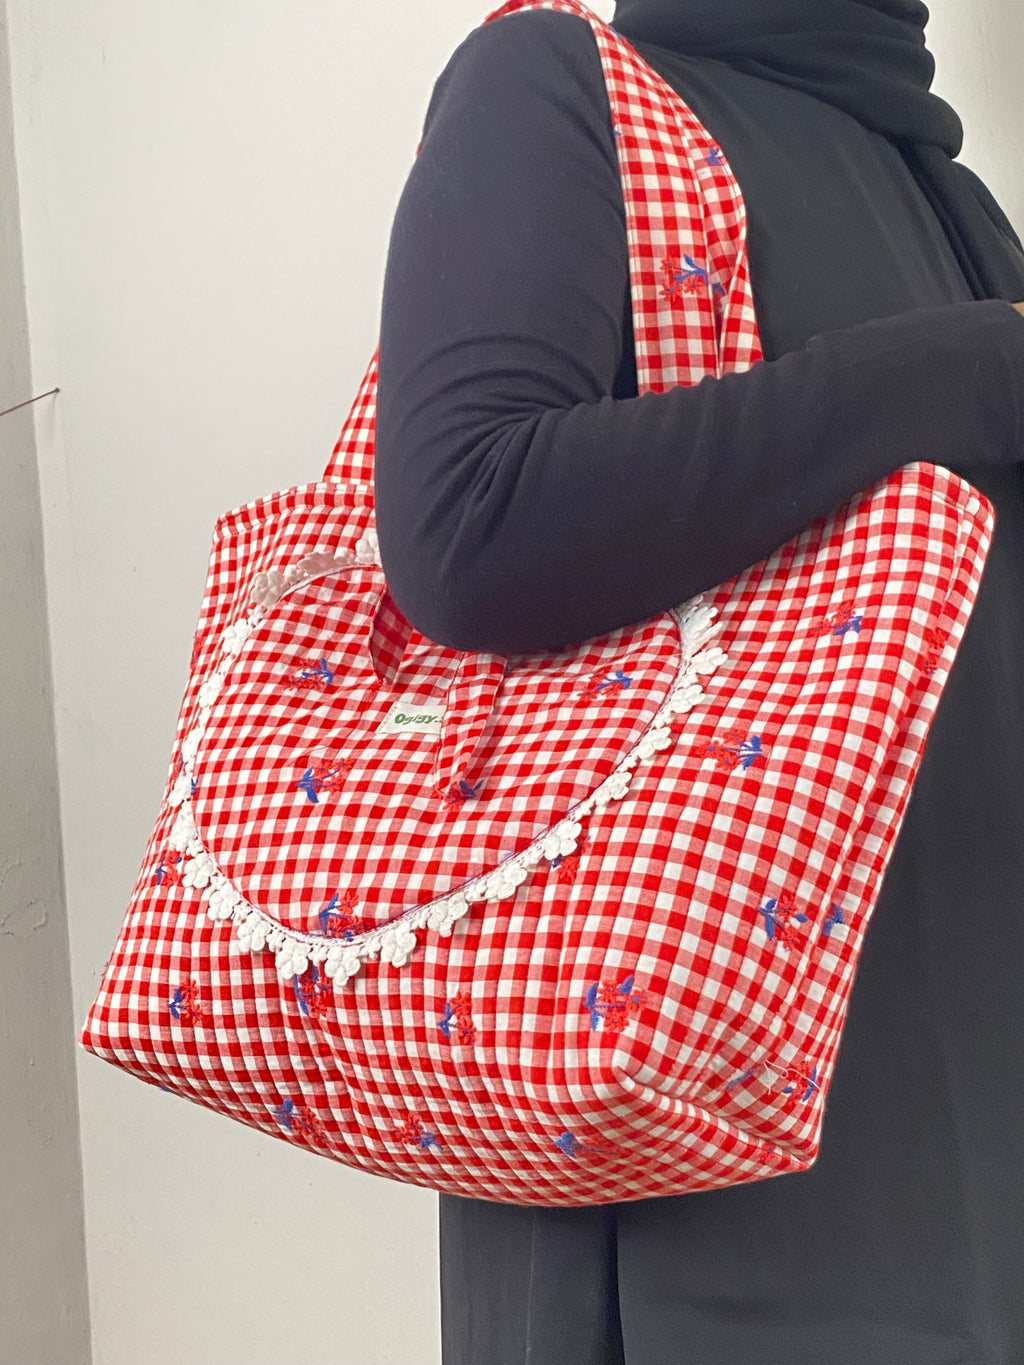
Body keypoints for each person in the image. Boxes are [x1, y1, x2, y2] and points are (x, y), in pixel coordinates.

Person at [373, 2, 1024, 1361]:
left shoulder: (953, 200)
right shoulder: (562, 87)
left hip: (963, 1132)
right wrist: (963, 367)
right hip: (703, 1204)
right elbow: (468, 524)